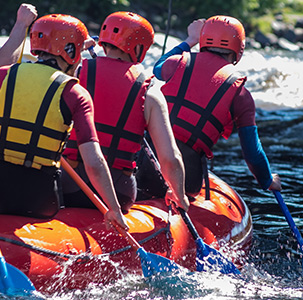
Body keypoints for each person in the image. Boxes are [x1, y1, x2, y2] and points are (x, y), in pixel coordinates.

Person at [0, 14, 128, 231]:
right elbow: (94, 163)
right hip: (36, 200)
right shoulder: (75, 93)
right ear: (72, 52)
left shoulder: (3, 75)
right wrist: (113, 208)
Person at [62, 11, 189, 213]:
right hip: (119, 191)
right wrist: (179, 195)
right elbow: (170, 159)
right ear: (139, 48)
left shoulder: (74, 73)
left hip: (68, 183)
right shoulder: (150, 91)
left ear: (102, 41)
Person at [152, 16, 282, 197]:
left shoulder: (177, 63)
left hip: (148, 158)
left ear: (203, 42)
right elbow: (252, 152)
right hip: (186, 175)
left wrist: (190, 41)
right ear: (239, 50)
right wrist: (268, 180)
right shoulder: (241, 95)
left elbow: (157, 67)